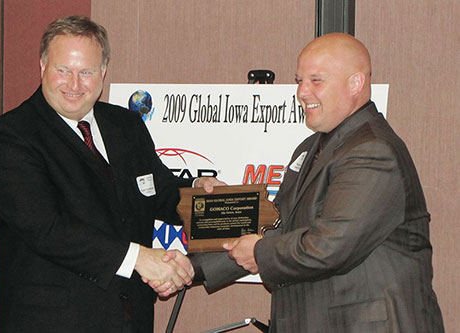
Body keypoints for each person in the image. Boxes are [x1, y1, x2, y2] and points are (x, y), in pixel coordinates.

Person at [153, 33, 445, 332]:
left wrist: (258, 252)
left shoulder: (372, 151)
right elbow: (277, 226)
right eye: (299, 80)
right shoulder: (311, 148)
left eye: (316, 81)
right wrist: (192, 268)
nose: (302, 92)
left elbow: (329, 246)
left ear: (356, 83)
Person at [0, 16, 221, 333]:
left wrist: (201, 194)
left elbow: (158, 193)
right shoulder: (10, 136)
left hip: (128, 320)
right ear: (42, 66)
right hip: (49, 322)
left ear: (103, 71)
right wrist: (139, 258)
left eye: (87, 72)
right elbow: (46, 228)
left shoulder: (126, 125)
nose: (74, 84)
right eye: (63, 70)